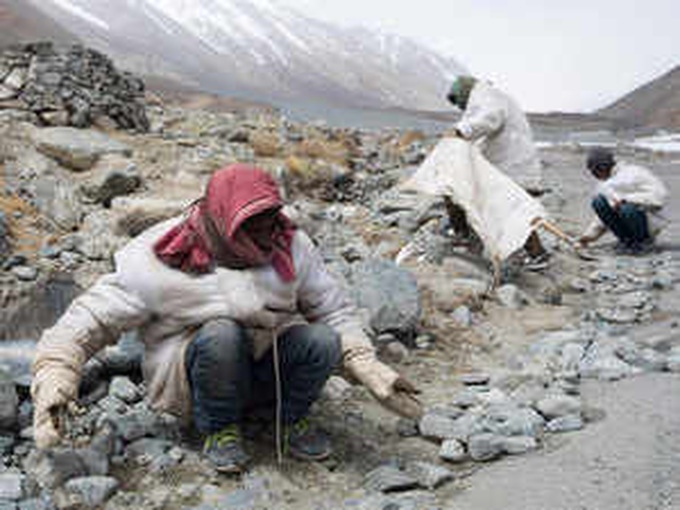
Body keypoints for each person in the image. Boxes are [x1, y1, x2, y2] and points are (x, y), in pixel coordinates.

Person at [31, 164, 422, 474]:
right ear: (221, 219)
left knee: (322, 340)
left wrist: (366, 364)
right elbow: (88, 321)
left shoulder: (290, 243)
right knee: (221, 333)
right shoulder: (158, 256)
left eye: (270, 217)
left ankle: (287, 420)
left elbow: (332, 310)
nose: (268, 232)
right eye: (252, 223)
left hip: (267, 361)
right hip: (195, 377)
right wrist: (55, 376)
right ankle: (219, 429)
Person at [444, 75, 547, 263]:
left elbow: (490, 118)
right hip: (514, 166)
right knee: (511, 210)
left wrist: (461, 131)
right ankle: (536, 254)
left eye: (461, 103)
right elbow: (485, 139)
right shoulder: (491, 97)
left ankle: (461, 235)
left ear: (465, 93)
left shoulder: (486, 97)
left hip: (512, 167)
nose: (462, 108)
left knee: (454, 187)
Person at [578, 147, 668, 254]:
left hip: (648, 220)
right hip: (628, 219)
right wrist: (588, 237)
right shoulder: (607, 183)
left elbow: (660, 196)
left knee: (626, 208)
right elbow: (603, 216)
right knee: (599, 202)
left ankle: (644, 243)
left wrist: (628, 199)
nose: (594, 175)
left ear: (601, 168)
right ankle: (627, 241)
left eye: (594, 171)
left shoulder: (633, 174)